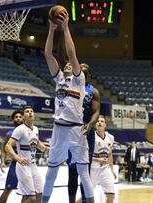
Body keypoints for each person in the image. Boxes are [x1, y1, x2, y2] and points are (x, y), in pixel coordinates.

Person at [42, 12, 94, 203]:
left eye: (72, 66)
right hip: (59, 129)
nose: (68, 66)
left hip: (75, 129)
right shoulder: (59, 80)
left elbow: (71, 54)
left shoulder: (79, 81)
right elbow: (48, 55)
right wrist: (51, 30)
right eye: (66, 65)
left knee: (83, 173)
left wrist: (65, 29)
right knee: (51, 172)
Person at [67, 52, 100, 203]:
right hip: (71, 132)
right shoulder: (69, 85)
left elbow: (96, 112)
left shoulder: (93, 91)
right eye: (80, 69)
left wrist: (90, 125)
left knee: (85, 171)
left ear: (89, 76)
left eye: (84, 71)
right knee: (72, 171)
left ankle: (85, 201)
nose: (81, 71)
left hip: (87, 133)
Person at [5, 106, 47, 203]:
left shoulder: (36, 129)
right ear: (24, 116)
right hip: (23, 166)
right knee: (31, 197)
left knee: (40, 194)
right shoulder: (20, 129)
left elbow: (36, 143)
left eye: (31, 111)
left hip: (33, 165)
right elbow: (8, 146)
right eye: (27, 112)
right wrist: (17, 157)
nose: (30, 113)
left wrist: (46, 149)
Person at [90, 116, 116, 203]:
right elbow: (85, 154)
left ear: (105, 125)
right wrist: (98, 160)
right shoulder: (91, 137)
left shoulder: (111, 137)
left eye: (102, 121)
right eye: (98, 121)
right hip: (93, 170)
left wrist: (112, 169)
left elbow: (110, 154)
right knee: (86, 197)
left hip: (105, 170)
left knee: (111, 195)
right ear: (95, 124)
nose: (100, 123)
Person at [0, 110, 23, 203]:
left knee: (30, 191)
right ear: (13, 119)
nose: (18, 118)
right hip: (15, 164)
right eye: (16, 117)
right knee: (8, 189)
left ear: (23, 118)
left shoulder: (29, 131)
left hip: (27, 163)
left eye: (20, 117)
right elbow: (4, 149)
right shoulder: (9, 134)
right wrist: (2, 162)